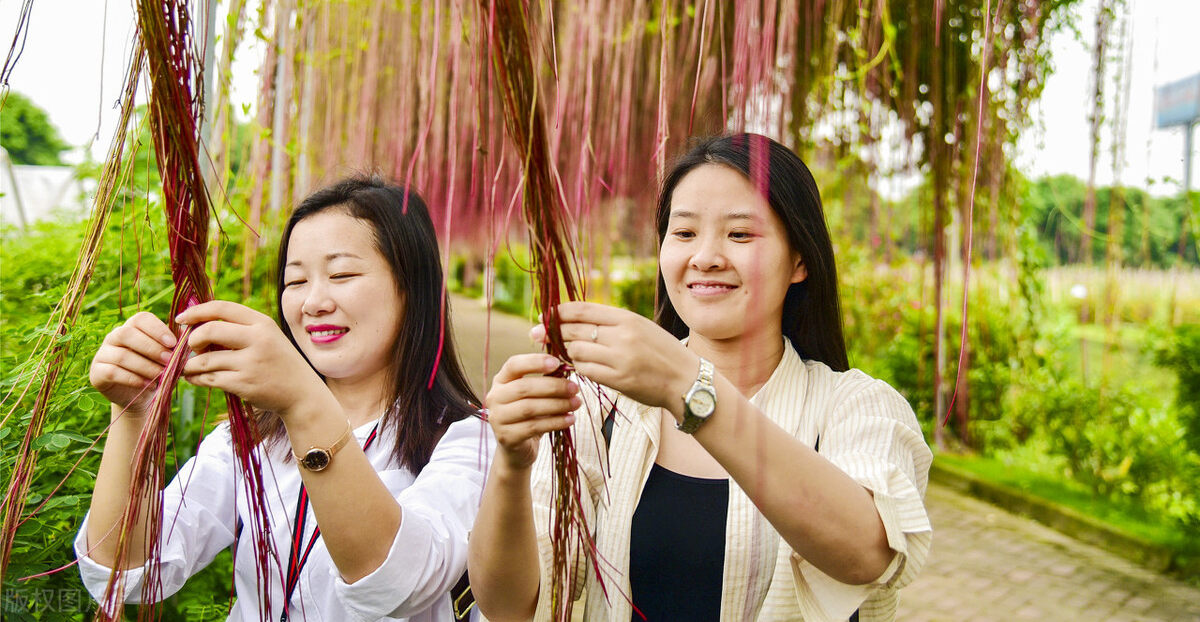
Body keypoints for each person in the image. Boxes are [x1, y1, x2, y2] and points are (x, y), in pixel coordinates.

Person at [468, 133, 932, 622]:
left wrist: (689, 388)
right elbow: (509, 607)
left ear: (800, 261)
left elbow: (866, 554)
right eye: (684, 233)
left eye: (740, 234)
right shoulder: (595, 408)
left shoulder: (857, 406)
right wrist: (511, 464)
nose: (705, 256)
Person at [76, 176, 492, 622]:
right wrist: (133, 413)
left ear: (413, 287)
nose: (312, 302)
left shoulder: (473, 440)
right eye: (295, 281)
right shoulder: (252, 437)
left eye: (342, 274)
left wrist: (303, 402)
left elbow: (395, 586)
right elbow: (126, 571)